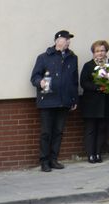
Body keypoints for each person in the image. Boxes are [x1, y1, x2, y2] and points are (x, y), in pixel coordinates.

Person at [31, 30, 79, 171]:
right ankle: (44, 161)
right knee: (46, 132)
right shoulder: (44, 57)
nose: (69, 41)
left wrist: (74, 99)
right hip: (48, 101)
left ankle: (53, 159)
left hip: (64, 101)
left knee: (58, 132)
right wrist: (40, 82)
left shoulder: (72, 57)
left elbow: (74, 81)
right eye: (66, 38)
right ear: (58, 40)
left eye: (69, 39)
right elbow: (34, 77)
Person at [80, 39, 109, 163]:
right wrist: (98, 87)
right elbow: (83, 82)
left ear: (106, 52)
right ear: (93, 53)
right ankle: (90, 154)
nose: (100, 53)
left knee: (102, 129)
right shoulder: (88, 65)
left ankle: (98, 153)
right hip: (92, 103)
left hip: (107, 103)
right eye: (97, 51)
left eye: (102, 50)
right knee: (91, 129)